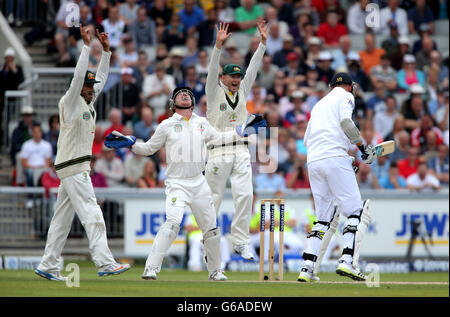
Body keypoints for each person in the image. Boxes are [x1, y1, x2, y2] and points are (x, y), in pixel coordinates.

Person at [104, 86, 266, 280]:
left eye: (188, 94)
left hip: (199, 182)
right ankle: (151, 268)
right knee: (172, 224)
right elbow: (148, 149)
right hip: (176, 183)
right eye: (180, 94)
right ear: (173, 103)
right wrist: (131, 144)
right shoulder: (166, 125)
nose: (185, 95)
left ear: (193, 102)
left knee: (211, 228)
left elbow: (220, 138)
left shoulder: (202, 123)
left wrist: (241, 131)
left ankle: (215, 271)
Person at [35, 27, 130, 281]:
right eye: (87, 87)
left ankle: (48, 263)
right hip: (75, 167)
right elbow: (79, 78)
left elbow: (102, 77)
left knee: (61, 221)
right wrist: (87, 47)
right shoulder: (70, 101)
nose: (91, 89)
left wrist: (107, 52)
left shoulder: (87, 102)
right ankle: (104, 262)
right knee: (92, 213)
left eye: (91, 87)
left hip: (72, 167)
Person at [298, 72, 376, 282]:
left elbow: (307, 139)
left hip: (314, 161)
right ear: (350, 86)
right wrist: (361, 148)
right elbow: (346, 122)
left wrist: (345, 159)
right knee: (354, 212)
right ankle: (346, 262)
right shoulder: (346, 97)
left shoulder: (319, 105)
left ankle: (306, 268)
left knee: (323, 218)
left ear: (331, 86)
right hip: (334, 158)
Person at [204, 21, 268, 262]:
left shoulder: (242, 90)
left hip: (241, 150)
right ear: (223, 77)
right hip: (218, 151)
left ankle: (240, 241)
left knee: (245, 195)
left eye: (238, 77)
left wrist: (262, 44)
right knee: (213, 201)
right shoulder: (214, 91)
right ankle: (208, 244)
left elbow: (253, 68)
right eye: (232, 76)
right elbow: (211, 71)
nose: (237, 80)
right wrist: (217, 47)